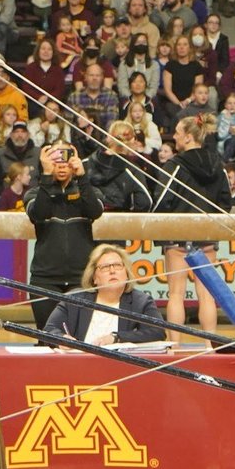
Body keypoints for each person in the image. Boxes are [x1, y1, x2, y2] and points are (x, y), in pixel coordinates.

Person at [153, 116, 231, 340]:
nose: (174, 136)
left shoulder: (175, 165)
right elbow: (225, 203)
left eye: (177, 133)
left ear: (188, 137)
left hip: (178, 236)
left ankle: (175, 347)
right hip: (206, 235)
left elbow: (161, 200)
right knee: (206, 295)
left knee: (176, 294)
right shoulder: (217, 165)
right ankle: (209, 345)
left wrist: (159, 226)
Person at [24, 142, 105, 329]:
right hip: (45, 277)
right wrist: (46, 175)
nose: (61, 166)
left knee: (80, 335)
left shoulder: (89, 192)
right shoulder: (34, 194)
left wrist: (82, 176)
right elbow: (39, 214)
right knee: (47, 335)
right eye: (55, 160)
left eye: (66, 160)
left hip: (81, 276)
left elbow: (94, 211)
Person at [43, 244, 162, 346]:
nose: (112, 271)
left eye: (117, 265)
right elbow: (49, 330)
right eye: (105, 267)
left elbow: (157, 332)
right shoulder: (74, 300)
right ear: (94, 277)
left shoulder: (141, 301)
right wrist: (62, 339)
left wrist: (117, 338)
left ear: (127, 273)